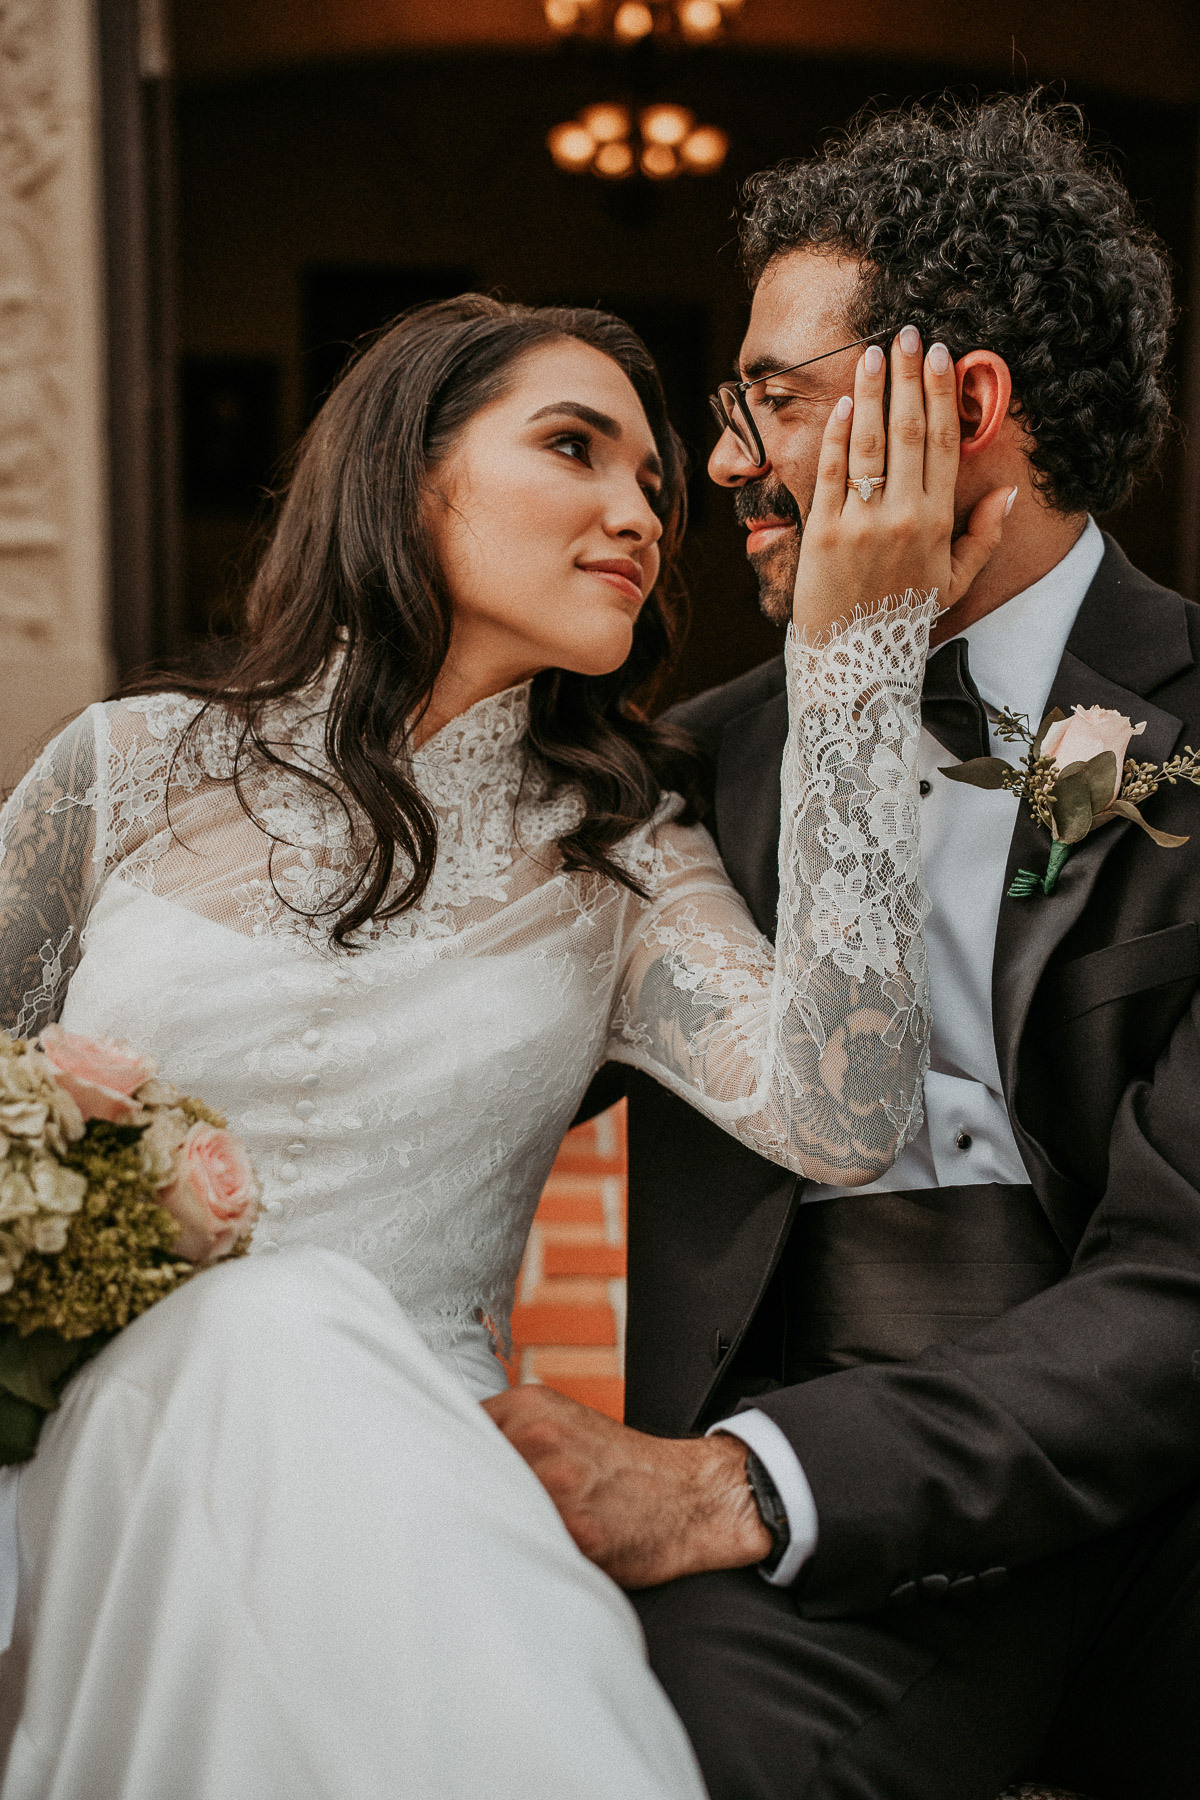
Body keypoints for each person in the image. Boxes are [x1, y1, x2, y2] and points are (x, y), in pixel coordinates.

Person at [0, 295, 1004, 1797]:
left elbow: (843, 1110)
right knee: (247, 1339)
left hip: (416, 1496)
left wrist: (853, 663)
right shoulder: (130, 767)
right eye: (574, 448)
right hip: (76, 1471)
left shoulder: (623, 860)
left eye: (658, 486)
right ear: (409, 474)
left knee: (279, 1334)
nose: (638, 512)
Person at [486, 96, 1200, 1799]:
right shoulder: (679, 776)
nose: (721, 458)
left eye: (773, 401)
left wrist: (727, 1483)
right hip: (802, 1549)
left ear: (963, 408)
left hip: (1167, 1517)